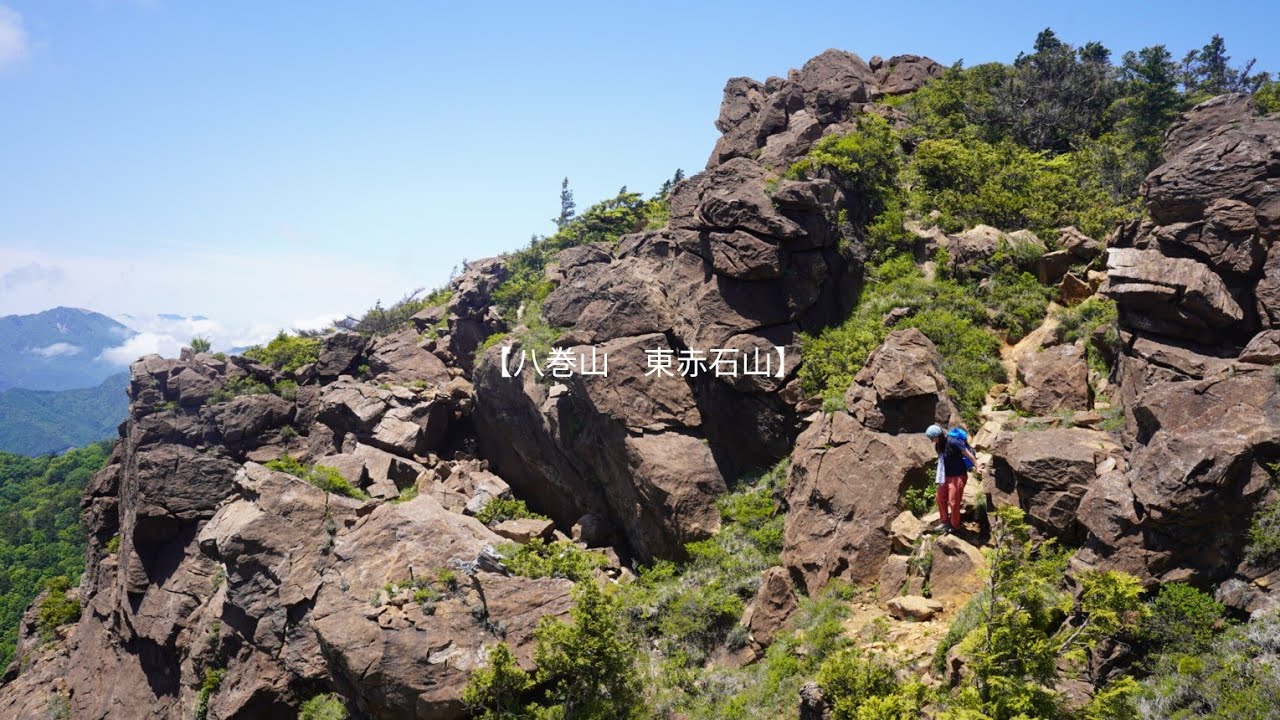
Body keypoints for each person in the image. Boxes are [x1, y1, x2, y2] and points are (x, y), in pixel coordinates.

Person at [925, 424, 977, 534]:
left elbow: (968, 454)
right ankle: (945, 522)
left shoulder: (953, 442)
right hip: (946, 476)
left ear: (938, 436)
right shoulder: (939, 445)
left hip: (958, 476)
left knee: (953, 502)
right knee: (940, 497)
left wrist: (977, 466)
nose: (931, 441)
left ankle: (955, 526)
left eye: (932, 438)